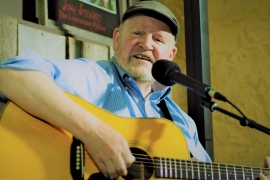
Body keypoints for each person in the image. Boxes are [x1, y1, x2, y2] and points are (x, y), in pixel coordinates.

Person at [0, 1, 269, 179]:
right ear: (117, 39)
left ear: (170, 54)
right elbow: (9, 74)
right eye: (136, 33)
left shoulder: (181, 124)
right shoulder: (95, 77)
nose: (146, 44)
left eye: (158, 39)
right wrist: (93, 133)